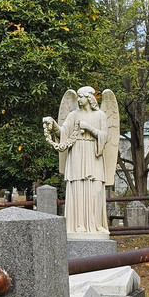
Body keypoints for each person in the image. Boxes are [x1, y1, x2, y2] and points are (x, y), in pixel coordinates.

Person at [43, 86, 112, 235]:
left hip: (94, 154)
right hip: (76, 154)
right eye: (78, 97)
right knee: (78, 189)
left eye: (81, 97)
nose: (79, 100)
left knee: (96, 190)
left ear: (89, 98)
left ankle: (96, 225)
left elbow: (105, 137)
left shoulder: (100, 115)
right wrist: (53, 124)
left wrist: (88, 128)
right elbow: (63, 133)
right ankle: (78, 225)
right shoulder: (73, 115)